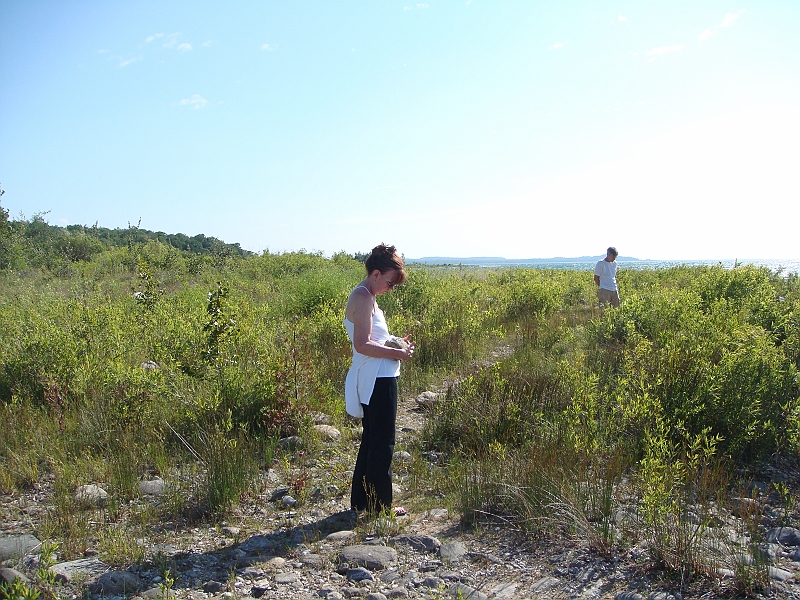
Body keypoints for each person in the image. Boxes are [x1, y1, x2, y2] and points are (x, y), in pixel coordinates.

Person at [344, 243, 415, 516]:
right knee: (382, 441)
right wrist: (397, 352)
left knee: (372, 439)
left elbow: (371, 339)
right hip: (377, 378)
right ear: (375, 273)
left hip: (376, 376)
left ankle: (363, 502)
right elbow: (361, 344)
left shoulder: (367, 296)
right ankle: (380, 507)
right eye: (389, 282)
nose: (391, 289)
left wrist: (394, 343)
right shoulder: (363, 297)